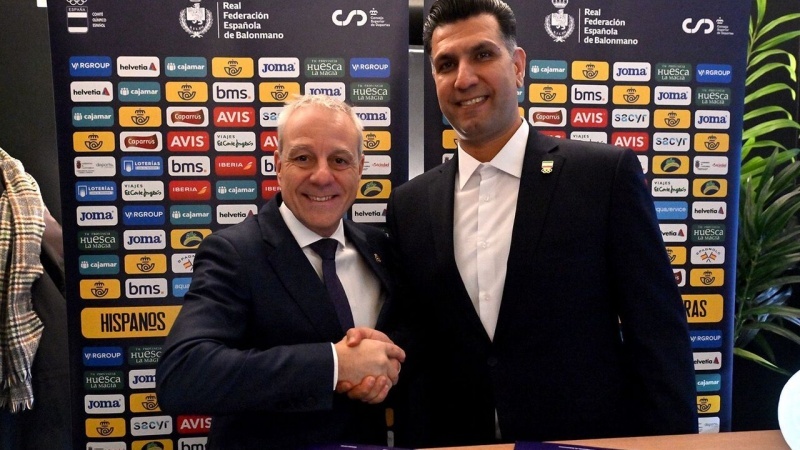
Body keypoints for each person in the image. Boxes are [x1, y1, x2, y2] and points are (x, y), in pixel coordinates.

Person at [386, 0, 698, 446]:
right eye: (446, 64)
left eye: (482, 54)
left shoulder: (603, 177)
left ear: (517, 66)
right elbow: (415, 336)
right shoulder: (410, 205)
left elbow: (658, 335)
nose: (464, 78)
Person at [156, 95, 405, 449]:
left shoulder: (379, 247)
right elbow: (183, 375)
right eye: (303, 158)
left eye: (339, 160)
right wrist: (335, 364)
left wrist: (386, 369)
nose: (322, 176)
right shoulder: (234, 252)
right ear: (278, 164)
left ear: (360, 168)